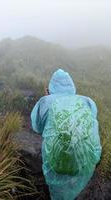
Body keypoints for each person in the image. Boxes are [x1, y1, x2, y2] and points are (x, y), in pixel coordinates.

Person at [31, 69, 102, 200]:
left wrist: (47, 97)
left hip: (56, 160)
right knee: (74, 181)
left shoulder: (46, 102)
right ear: (72, 86)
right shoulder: (88, 102)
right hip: (87, 158)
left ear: (51, 86)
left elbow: (37, 127)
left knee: (58, 189)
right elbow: (93, 126)